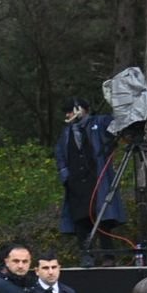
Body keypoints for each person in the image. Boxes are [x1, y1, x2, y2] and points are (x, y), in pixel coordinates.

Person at [54, 96, 128, 266]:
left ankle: (108, 256)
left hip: (98, 180)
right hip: (76, 183)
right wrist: (65, 177)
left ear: (81, 109)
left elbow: (116, 126)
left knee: (103, 217)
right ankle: (87, 256)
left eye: (70, 110)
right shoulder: (66, 133)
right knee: (80, 219)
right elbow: (60, 155)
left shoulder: (100, 122)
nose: (68, 114)